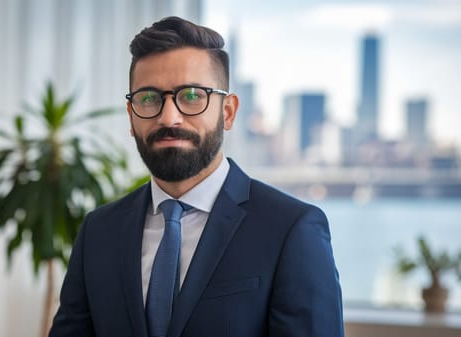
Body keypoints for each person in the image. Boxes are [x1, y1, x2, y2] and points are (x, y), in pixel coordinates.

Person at [49, 16, 344, 337]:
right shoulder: (98, 231)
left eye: (191, 96)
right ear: (131, 117)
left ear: (228, 112)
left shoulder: (291, 229)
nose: (169, 117)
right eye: (148, 98)